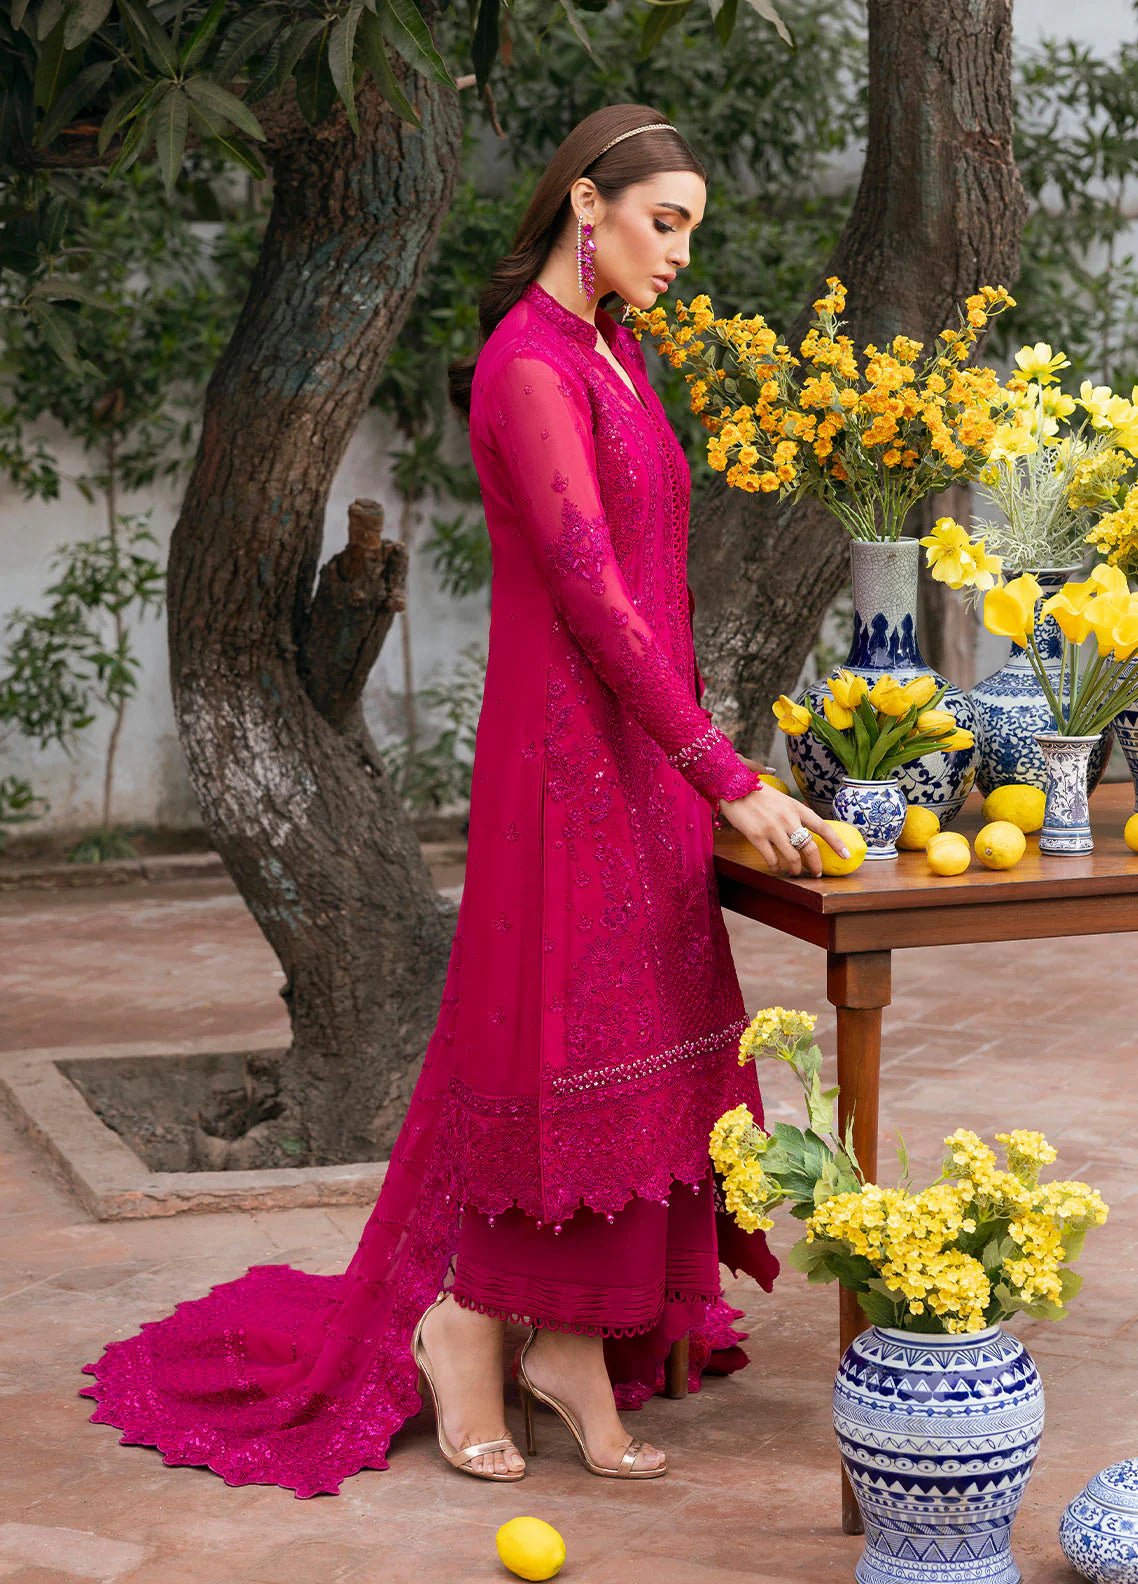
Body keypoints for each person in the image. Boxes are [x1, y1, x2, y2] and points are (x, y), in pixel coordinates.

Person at [79, 103, 844, 1498]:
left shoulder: (619, 352)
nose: (679, 255)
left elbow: (654, 586)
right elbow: (594, 598)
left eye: (690, 232)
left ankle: (568, 1344)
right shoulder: (527, 368)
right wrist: (723, 772)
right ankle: (463, 1325)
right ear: (584, 212)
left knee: (646, 1034)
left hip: (641, 765)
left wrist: (697, 775)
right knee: (552, 1052)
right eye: (661, 224)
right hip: (564, 765)